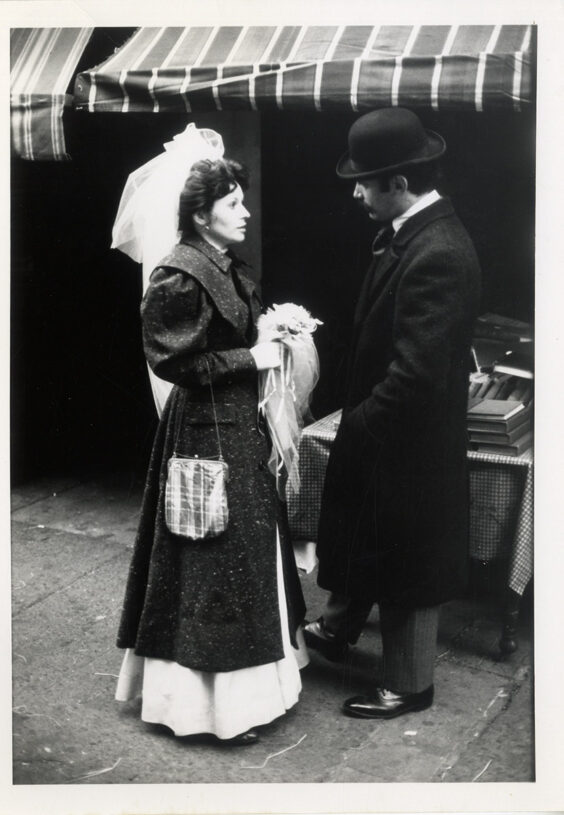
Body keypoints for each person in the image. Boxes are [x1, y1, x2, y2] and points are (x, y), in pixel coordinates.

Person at [113, 127, 308, 746]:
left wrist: (276, 330)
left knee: (244, 554)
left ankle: (248, 690)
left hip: (234, 426)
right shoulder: (178, 275)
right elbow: (174, 362)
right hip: (202, 434)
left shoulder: (222, 265)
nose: (245, 211)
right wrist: (255, 356)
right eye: (232, 204)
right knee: (210, 554)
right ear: (201, 214)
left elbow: (231, 339)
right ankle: (206, 707)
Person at [304, 107, 481, 719]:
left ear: (398, 184)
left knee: (404, 561)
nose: (357, 192)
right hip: (389, 436)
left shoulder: (436, 252)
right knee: (368, 540)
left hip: (407, 446)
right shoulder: (415, 233)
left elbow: (417, 375)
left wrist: (359, 424)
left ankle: (409, 684)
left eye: (364, 181)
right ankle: (336, 631)